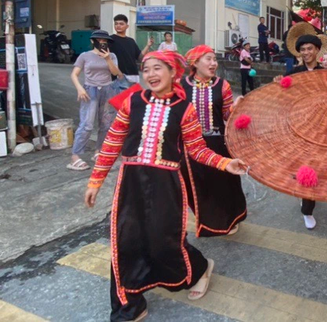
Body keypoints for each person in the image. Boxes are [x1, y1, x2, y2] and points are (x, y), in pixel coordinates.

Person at [84, 50, 248, 322]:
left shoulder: (185, 109)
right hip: (131, 184)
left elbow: (196, 149)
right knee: (125, 242)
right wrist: (95, 181)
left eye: (158, 68)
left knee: (165, 241)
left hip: (167, 184)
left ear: (174, 73)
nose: (150, 74)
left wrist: (224, 164)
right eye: (146, 69)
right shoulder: (133, 101)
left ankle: (200, 268)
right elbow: (113, 141)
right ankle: (130, 306)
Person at [181, 45, 247, 236]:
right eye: (208, 59)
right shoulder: (181, 86)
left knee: (223, 184)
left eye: (215, 60)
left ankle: (230, 218)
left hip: (217, 143)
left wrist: (236, 107)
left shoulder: (223, 85)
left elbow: (227, 115)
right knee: (199, 185)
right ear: (195, 63)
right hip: (190, 146)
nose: (213, 63)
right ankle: (209, 223)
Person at [274, 34, 323, 229]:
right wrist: (279, 84)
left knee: (317, 164)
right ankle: (307, 209)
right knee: (304, 162)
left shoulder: (326, 73)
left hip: (320, 126)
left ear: (317, 50)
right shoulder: (294, 72)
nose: (306, 53)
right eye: (302, 50)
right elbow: (284, 97)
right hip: (299, 125)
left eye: (310, 49)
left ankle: (308, 199)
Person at [68, 30, 122, 171]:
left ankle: (99, 151)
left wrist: (108, 58)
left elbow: (115, 73)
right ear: (93, 41)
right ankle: (75, 156)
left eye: (105, 41)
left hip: (108, 90)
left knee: (106, 124)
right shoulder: (84, 56)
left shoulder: (112, 55)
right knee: (87, 124)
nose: (102, 42)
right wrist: (80, 88)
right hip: (90, 90)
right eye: (99, 40)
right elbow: (74, 74)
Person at [110, 14, 154, 90]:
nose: (118, 26)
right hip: (119, 77)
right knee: (121, 101)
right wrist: (119, 74)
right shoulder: (110, 40)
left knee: (133, 100)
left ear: (127, 26)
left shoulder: (131, 41)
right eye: (116, 24)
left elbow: (139, 57)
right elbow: (108, 59)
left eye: (121, 24)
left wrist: (148, 46)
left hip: (134, 76)